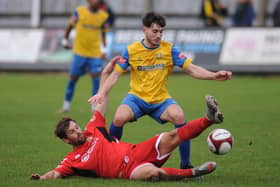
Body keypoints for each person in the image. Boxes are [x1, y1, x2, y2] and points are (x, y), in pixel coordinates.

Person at [30, 57, 224, 181]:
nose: (78, 131)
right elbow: (55, 173)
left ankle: (209, 119)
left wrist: (106, 73)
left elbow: (102, 99)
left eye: (76, 127)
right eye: (72, 132)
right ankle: (192, 173)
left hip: (136, 151)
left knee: (172, 135)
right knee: (153, 173)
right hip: (127, 171)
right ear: (66, 140)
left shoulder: (93, 129)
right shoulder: (72, 160)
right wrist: (40, 179)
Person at [88, 12, 232, 169]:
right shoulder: (131, 50)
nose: (159, 35)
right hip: (136, 98)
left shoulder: (169, 50)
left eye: (161, 31)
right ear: (144, 30)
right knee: (118, 118)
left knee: (179, 116)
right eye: (155, 31)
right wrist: (101, 92)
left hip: (160, 100)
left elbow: (192, 69)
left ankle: (185, 165)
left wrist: (213, 75)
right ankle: (110, 159)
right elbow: (115, 75)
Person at [58, 0, 109, 113]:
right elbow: (69, 26)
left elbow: (104, 34)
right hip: (79, 52)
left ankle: (94, 108)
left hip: (95, 54)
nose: (96, 1)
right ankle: (66, 106)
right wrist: (65, 41)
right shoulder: (79, 12)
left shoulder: (103, 16)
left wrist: (104, 49)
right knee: (73, 79)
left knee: (96, 80)